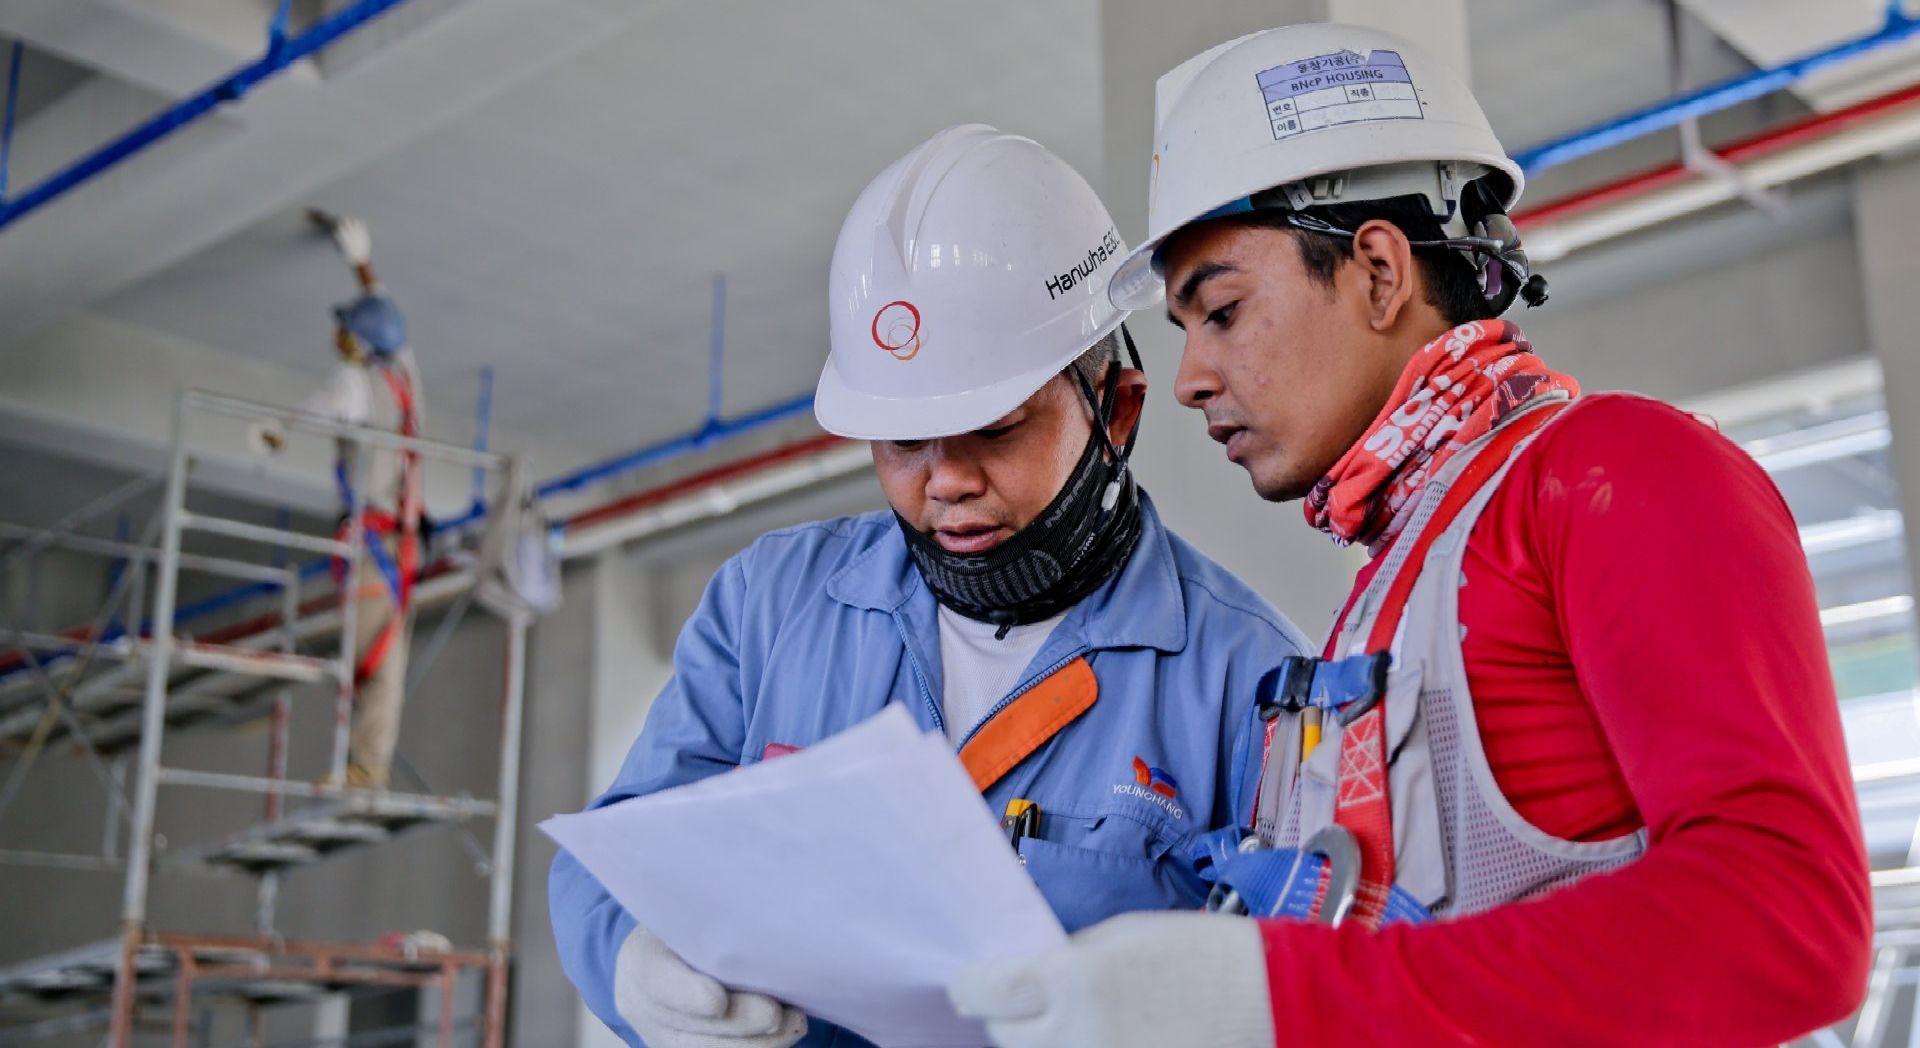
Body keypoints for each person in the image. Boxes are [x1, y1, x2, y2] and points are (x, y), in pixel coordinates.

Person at [949, 24, 1872, 1047]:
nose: (1189, 380)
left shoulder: (1618, 473)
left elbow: (1789, 918)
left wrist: (1284, 996)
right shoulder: (1389, 591)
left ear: (1381, 273)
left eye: (1221, 310)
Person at [548, 123, 1310, 1048]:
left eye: (994, 427)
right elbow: (623, 849)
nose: (943, 480)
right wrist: (631, 960)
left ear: (1117, 407)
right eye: (904, 439)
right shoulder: (767, 608)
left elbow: (1299, 984)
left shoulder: (1250, 680)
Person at [257, 213, 425, 789]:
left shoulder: (354, 385)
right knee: (381, 656)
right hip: (396, 541)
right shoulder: (403, 375)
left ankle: (362, 768)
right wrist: (362, 264)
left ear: (356, 342)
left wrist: (276, 430)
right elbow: (386, 317)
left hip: (373, 544)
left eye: (345, 330)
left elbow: (319, 404)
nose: (337, 336)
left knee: (368, 660)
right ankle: (366, 765)